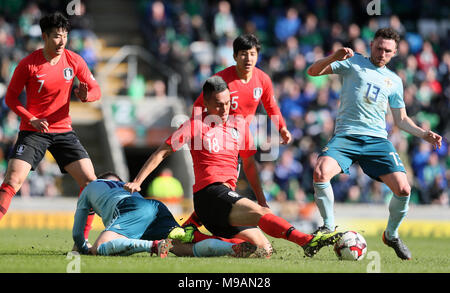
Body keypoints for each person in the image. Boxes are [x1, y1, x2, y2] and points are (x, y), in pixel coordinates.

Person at [124, 76, 341, 258]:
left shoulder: (239, 126)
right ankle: (306, 241)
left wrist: (262, 198)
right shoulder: (194, 125)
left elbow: (250, 165)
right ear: (206, 104)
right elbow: (162, 151)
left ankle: (187, 238)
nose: (224, 108)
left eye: (227, 103)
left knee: (263, 250)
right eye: (218, 104)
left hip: (224, 202)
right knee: (258, 213)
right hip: (209, 194)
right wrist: (138, 181)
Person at [307, 27, 442, 260]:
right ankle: (328, 228)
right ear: (371, 45)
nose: (382, 53)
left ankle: (391, 235)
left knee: (404, 189)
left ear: (395, 53)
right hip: (346, 136)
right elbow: (312, 71)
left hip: (377, 141)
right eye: (379, 48)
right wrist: (333, 57)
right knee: (320, 172)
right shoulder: (352, 62)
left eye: (387, 50)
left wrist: (423, 134)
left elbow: (401, 120)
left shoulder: (395, 81)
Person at [0, 13, 100, 241]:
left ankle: (81, 242)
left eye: (65, 36)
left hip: (63, 131)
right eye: (56, 37)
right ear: (45, 36)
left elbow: (96, 90)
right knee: (13, 180)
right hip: (33, 131)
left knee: (91, 182)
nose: (62, 42)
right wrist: (30, 117)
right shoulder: (28, 64)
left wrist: (87, 96)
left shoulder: (74, 60)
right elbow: (11, 98)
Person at [184, 33, 292, 228]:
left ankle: (191, 226)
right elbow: (198, 106)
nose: (248, 58)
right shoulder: (221, 80)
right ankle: (205, 227)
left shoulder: (263, 80)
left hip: (240, 139)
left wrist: (282, 127)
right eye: (243, 54)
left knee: (226, 189)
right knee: (223, 188)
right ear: (234, 56)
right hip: (219, 139)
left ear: (257, 55)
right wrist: (201, 134)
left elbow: (271, 105)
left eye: (252, 54)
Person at [72, 172, 259, 258]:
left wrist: (83, 246)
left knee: (100, 247)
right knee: (179, 247)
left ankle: (152, 246)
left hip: (132, 210)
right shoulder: (122, 185)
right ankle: (231, 249)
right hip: (153, 207)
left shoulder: (89, 188)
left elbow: (78, 234)